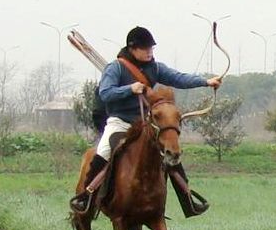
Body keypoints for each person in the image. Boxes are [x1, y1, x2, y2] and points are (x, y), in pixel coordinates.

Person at [70, 26, 222, 216]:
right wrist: (129, 89)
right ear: (133, 49)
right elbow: (106, 93)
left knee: (171, 151)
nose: (150, 51)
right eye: (145, 48)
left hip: (144, 123)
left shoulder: (155, 68)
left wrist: (206, 82)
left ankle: (188, 199)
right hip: (120, 122)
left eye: (151, 48)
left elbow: (178, 78)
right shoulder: (115, 68)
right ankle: (86, 196)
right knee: (103, 152)